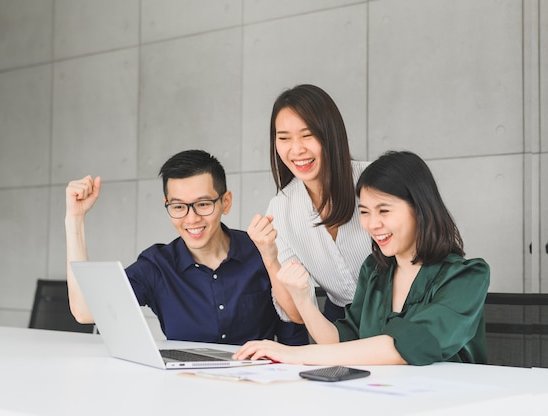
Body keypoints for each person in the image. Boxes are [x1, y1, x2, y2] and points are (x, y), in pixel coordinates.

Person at [233, 151, 490, 365]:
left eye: (384, 210)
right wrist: (303, 300)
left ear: (420, 209)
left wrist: (296, 353)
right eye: (364, 211)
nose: (372, 224)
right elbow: (340, 342)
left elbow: (406, 347)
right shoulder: (375, 271)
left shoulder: (466, 277)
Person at [65, 149, 308, 346]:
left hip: (256, 394)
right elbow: (85, 311)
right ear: (166, 204)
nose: (191, 219)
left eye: (203, 204)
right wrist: (74, 219)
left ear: (226, 202)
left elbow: (294, 336)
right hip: (183, 396)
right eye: (179, 206)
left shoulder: (262, 252)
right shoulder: (156, 266)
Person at [248, 84, 372, 324]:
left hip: (405, 311)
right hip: (343, 323)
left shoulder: (374, 180)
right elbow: (297, 314)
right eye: (284, 138)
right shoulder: (280, 209)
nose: (296, 150)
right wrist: (269, 257)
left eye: (307, 135)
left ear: (331, 134)